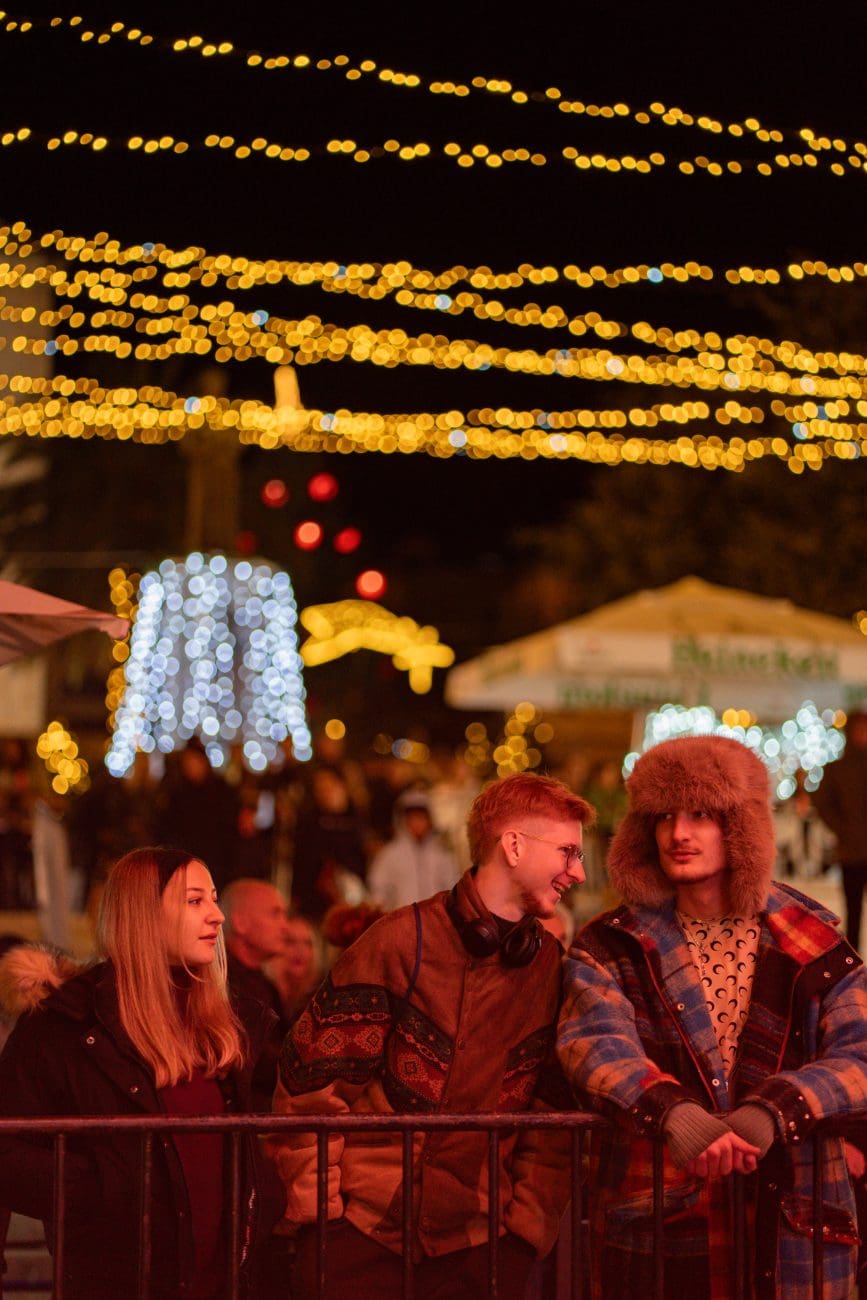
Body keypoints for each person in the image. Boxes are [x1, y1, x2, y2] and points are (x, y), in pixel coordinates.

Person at [558, 735, 867, 1300]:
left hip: (792, 1223)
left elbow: (860, 1050)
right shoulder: (611, 944)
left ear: (741, 827)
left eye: (701, 814)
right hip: (661, 1220)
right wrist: (671, 1112)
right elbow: (594, 1044)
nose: (678, 834)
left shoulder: (810, 937)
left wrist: (777, 1110)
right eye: (664, 816)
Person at [267, 772, 594, 1300]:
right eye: (567, 852)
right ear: (513, 846)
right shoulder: (400, 942)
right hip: (362, 1241)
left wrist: (524, 1236)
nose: (578, 872)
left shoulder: (548, 969)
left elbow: (552, 1120)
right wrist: (323, 1220)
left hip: (481, 1249)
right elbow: (310, 1086)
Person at [0, 846, 285, 1299]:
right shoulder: (66, 1026)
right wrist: (99, 1187)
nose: (217, 916)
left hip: (223, 1283)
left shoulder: (229, 1023)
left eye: (214, 900)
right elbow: (10, 1145)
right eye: (195, 901)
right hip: (117, 1281)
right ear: (144, 914)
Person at [221, 877, 294, 1110]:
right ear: (240, 923)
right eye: (275, 914)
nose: (285, 926)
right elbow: (255, 1060)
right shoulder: (220, 984)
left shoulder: (263, 983)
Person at [813, 710, 867, 950]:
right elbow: (822, 803)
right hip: (851, 852)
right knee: (853, 910)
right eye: (860, 729)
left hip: (851, 847)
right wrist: (843, 829)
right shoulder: (838, 769)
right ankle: (854, 957)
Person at [367, 787, 459, 912]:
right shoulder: (389, 856)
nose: (417, 822)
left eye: (421, 817)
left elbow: (452, 889)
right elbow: (378, 891)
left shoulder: (442, 854)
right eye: (412, 817)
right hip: (401, 920)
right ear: (403, 820)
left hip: (434, 920)